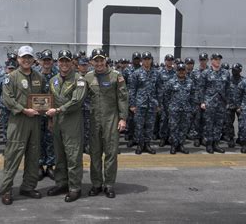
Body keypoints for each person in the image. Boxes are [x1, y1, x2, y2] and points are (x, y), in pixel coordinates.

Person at [0, 45, 46, 205]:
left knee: (33, 156)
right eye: (23, 57)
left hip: (34, 121)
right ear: (18, 59)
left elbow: (43, 98)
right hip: (18, 121)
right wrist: (23, 110)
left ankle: (28, 186)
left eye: (29, 57)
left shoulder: (39, 77)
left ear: (33, 60)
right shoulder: (11, 77)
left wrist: (43, 109)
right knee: (13, 156)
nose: (26, 60)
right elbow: (7, 99)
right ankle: (6, 189)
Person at [83, 48, 128, 198]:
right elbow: (81, 98)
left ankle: (109, 184)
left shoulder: (116, 76)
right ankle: (96, 184)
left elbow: (122, 97)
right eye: (96, 60)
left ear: (105, 60)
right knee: (94, 154)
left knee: (111, 153)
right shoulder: (88, 78)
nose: (99, 63)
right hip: (94, 120)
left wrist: (123, 118)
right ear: (92, 62)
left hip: (111, 120)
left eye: (101, 60)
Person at [45, 50, 86, 202]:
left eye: (67, 61)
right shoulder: (53, 80)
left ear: (72, 63)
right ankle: (61, 183)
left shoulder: (79, 80)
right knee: (59, 154)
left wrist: (58, 110)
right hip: (56, 122)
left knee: (73, 155)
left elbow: (77, 101)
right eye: (61, 61)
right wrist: (50, 120)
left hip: (71, 122)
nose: (64, 64)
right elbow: (50, 100)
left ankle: (75, 187)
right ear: (58, 62)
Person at [129, 52, 161, 155]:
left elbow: (159, 90)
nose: (147, 61)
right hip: (140, 104)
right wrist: (132, 104)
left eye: (148, 59)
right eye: (145, 59)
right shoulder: (136, 73)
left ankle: (147, 144)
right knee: (139, 125)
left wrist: (158, 104)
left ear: (151, 60)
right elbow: (132, 90)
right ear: (142, 60)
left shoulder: (156, 73)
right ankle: (140, 144)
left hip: (152, 104)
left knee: (150, 125)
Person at [200, 53, 230, 154]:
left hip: (221, 103)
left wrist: (227, 101)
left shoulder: (225, 73)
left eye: (219, 59)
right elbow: (201, 88)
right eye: (216, 59)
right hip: (210, 102)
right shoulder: (206, 73)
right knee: (209, 124)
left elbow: (228, 88)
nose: (218, 61)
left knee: (219, 124)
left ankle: (216, 144)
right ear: (211, 60)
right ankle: (209, 144)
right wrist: (202, 102)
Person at [164, 63, 196, 154]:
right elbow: (166, 96)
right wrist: (168, 108)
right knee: (173, 128)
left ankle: (181, 144)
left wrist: (192, 108)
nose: (181, 72)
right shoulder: (171, 82)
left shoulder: (190, 82)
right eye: (179, 70)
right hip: (174, 109)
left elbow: (193, 96)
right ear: (176, 71)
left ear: (185, 71)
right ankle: (174, 145)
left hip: (186, 110)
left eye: (183, 70)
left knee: (184, 128)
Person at [38, 49, 57, 181]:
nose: (46, 62)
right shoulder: (35, 74)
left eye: (48, 60)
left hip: (52, 113)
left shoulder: (57, 75)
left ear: (52, 61)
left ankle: (50, 165)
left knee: (51, 140)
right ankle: (39, 165)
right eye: (44, 60)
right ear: (40, 61)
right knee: (38, 140)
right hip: (37, 113)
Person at [158, 54, 176, 147]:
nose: (170, 62)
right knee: (163, 119)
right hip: (163, 99)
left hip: (173, 100)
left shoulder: (175, 72)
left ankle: (170, 138)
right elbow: (157, 86)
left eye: (171, 60)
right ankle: (163, 138)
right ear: (165, 61)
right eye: (168, 60)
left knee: (172, 120)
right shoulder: (160, 72)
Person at [224, 63, 244, 148]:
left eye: (235, 70)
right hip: (230, 105)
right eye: (232, 70)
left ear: (240, 70)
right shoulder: (227, 80)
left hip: (240, 106)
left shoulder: (244, 81)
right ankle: (231, 138)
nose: (233, 71)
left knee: (242, 123)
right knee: (229, 123)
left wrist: (242, 105)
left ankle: (241, 138)